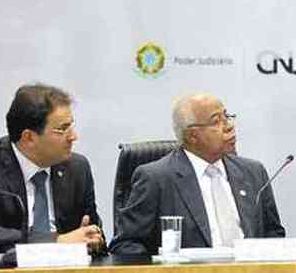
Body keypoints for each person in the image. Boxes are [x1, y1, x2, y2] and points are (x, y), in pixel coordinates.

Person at [110, 93, 285, 254]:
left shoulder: (253, 172)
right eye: (217, 121)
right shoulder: (156, 179)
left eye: (227, 116)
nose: (229, 126)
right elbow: (125, 244)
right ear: (193, 136)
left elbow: (274, 235)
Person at [0, 84, 105, 265]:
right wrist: (56, 242)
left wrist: (92, 239)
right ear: (29, 137)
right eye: (62, 129)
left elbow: (92, 232)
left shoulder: (77, 168)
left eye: (71, 126)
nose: (73, 136)